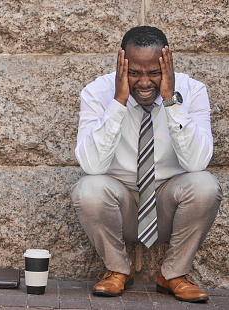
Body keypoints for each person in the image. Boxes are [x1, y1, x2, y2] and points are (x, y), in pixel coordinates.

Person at [71, 26, 222, 303]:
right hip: (121, 204)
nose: (143, 83)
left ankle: (174, 274)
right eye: (135, 72)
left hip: (167, 204)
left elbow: (197, 162)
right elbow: (92, 165)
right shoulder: (97, 92)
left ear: (167, 65)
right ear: (121, 64)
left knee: (205, 186)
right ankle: (118, 269)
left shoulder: (193, 90)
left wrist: (170, 101)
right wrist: (118, 102)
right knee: (88, 189)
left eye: (154, 72)